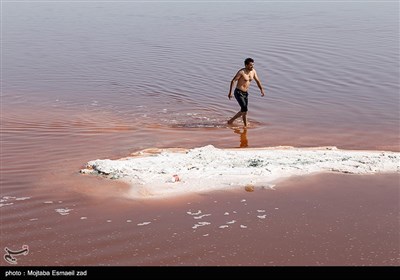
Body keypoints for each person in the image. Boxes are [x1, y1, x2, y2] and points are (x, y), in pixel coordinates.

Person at [227, 58, 265, 127]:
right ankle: (237, 123)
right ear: (246, 65)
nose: (252, 66)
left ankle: (239, 123)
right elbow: (233, 81)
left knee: (244, 110)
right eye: (250, 65)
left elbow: (258, 81)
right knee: (244, 109)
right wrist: (230, 92)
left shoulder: (253, 71)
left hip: (245, 93)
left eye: (253, 65)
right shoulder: (241, 72)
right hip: (238, 92)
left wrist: (261, 89)